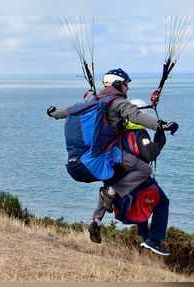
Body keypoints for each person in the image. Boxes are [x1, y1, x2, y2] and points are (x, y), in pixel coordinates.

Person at [47, 68, 178, 212]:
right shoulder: (118, 102)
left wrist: (53, 112)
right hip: (104, 155)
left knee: (117, 174)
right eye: (126, 84)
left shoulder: (93, 100)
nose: (127, 87)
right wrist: (160, 126)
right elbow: (135, 115)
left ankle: (98, 217)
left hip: (77, 162)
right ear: (117, 84)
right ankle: (111, 193)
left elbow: (68, 111)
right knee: (145, 169)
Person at [88, 99, 178, 256]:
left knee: (129, 196)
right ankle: (154, 240)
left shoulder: (117, 132)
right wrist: (160, 138)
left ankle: (97, 220)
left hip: (118, 174)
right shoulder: (139, 133)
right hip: (136, 177)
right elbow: (149, 153)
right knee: (162, 202)